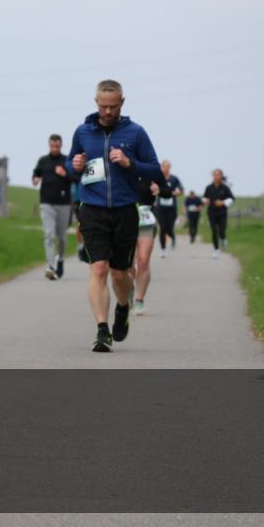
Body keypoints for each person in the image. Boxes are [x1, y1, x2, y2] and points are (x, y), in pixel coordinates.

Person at [67, 79, 161, 353]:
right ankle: (101, 330)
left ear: (122, 102)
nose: (107, 111)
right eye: (102, 106)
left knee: (120, 273)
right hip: (92, 209)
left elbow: (154, 170)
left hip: (124, 210)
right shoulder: (83, 132)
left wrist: (130, 163)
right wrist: (73, 164)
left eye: (113, 106)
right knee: (98, 268)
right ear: (95, 102)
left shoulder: (136, 133)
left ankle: (123, 307)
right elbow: (71, 163)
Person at [33, 134, 73, 280]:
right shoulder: (43, 161)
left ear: (61, 145)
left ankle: (60, 259)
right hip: (46, 203)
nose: (54, 148)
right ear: (49, 145)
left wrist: (64, 174)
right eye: (52, 146)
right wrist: (35, 179)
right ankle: (50, 265)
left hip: (63, 204)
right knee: (49, 235)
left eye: (57, 146)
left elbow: (75, 178)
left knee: (62, 238)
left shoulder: (66, 160)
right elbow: (36, 174)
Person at [131, 175, 172, 316]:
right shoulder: (118, 166)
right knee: (128, 263)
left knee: (143, 261)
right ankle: (128, 292)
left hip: (146, 220)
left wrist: (159, 189)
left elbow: (168, 192)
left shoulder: (151, 169)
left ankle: (139, 300)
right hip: (124, 219)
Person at [154, 160, 184, 258]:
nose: (165, 168)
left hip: (171, 208)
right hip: (160, 208)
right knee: (162, 227)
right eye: (164, 166)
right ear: (161, 167)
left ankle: (173, 237)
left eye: (167, 166)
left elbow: (181, 190)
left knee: (169, 228)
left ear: (170, 167)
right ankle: (163, 249)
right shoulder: (157, 178)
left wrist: (173, 193)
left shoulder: (174, 179)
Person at [202, 169, 235, 258]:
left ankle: (223, 239)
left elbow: (231, 198)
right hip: (212, 212)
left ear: (221, 176)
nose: (216, 177)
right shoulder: (209, 187)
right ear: (213, 176)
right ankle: (216, 249)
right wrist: (205, 201)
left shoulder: (225, 188)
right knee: (214, 231)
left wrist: (223, 203)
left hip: (222, 213)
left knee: (222, 230)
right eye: (215, 175)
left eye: (218, 175)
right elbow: (204, 198)